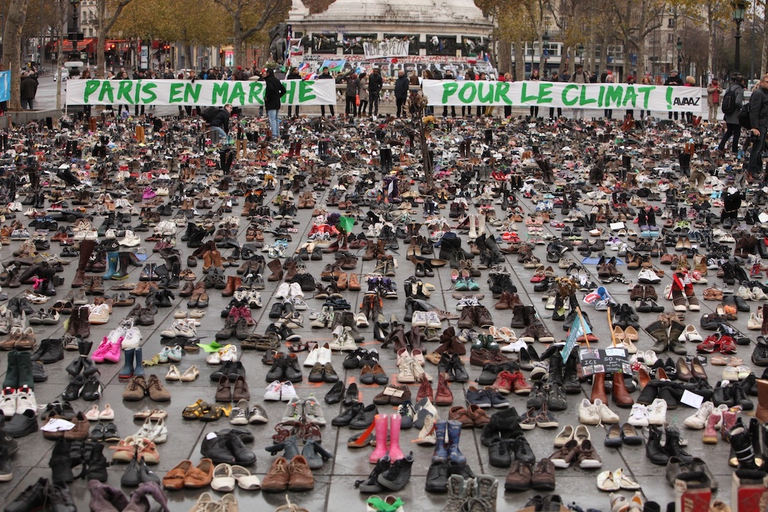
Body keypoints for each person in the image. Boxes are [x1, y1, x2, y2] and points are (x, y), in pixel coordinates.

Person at [747, 73, 768, 180]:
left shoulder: (764, 93)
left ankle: (757, 169)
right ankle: (752, 170)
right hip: (759, 125)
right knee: (756, 149)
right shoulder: (758, 94)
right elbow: (754, 111)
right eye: (767, 82)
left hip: (764, 124)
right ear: (761, 82)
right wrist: (755, 127)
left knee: (760, 149)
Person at [718, 73, 744, 155]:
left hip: (728, 114)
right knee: (737, 133)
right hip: (736, 115)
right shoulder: (739, 90)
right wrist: (743, 108)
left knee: (729, 132)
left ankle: (720, 147)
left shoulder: (729, 88)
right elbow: (738, 102)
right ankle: (734, 150)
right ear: (741, 81)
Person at [264, 68, 286, 140]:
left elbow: (270, 89)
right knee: (276, 119)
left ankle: (274, 134)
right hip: (277, 102)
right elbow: (283, 90)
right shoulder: (277, 80)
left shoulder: (269, 80)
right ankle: (277, 134)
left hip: (271, 102)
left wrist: (267, 97)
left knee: (272, 119)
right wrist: (278, 96)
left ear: (268, 73)